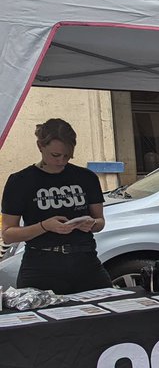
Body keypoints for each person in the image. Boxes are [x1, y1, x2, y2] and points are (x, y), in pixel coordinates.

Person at [1, 118, 110, 294]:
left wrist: (91, 224)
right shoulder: (20, 181)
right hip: (40, 264)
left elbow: (100, 222)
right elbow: (8, 235)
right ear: (40, 146)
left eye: (67, 155)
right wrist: (45, 226)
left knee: (107, 315)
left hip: (85, 261)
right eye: (55, 155)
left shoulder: (86, 177)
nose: (61, 161)